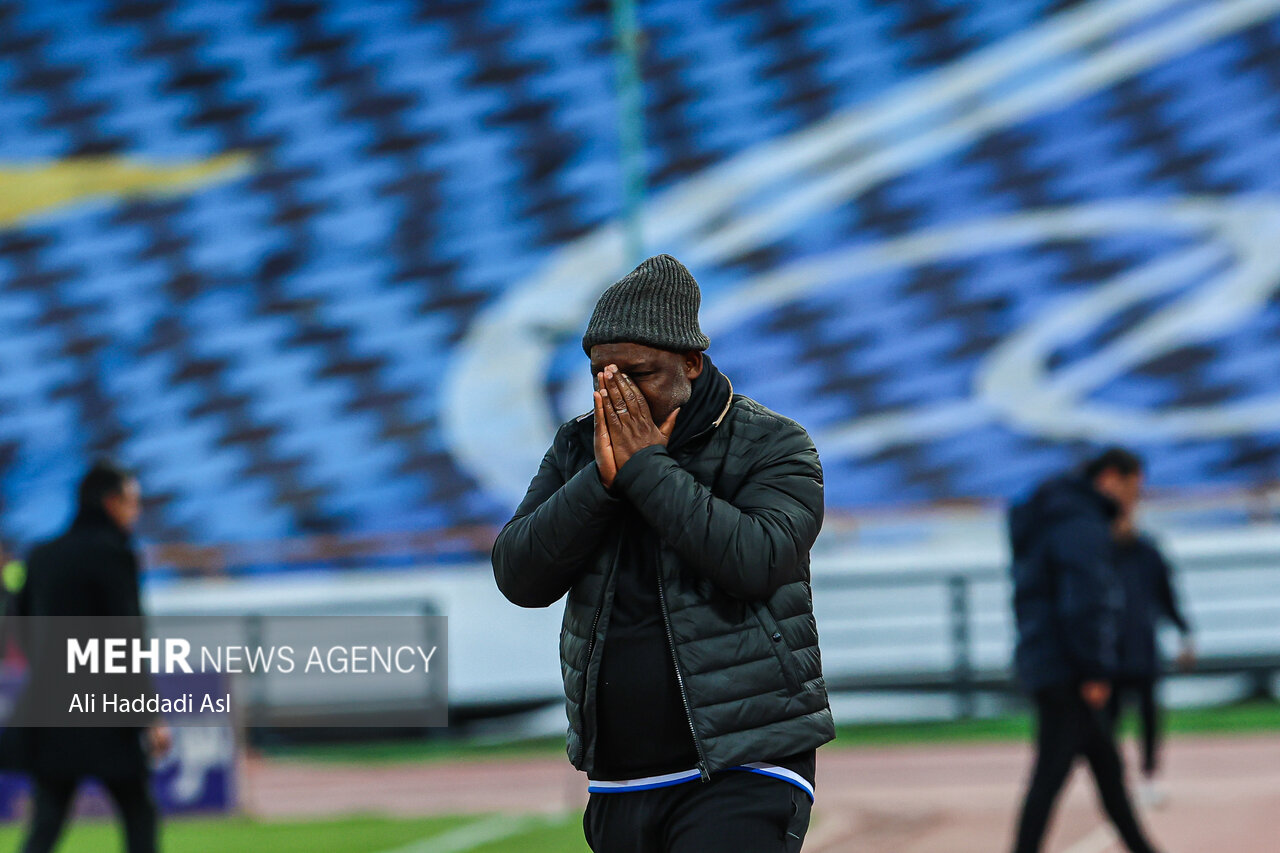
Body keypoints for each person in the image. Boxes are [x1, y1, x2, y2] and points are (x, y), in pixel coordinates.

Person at [492, 254, 834, 853]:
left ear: (691, 364)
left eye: (639, 373)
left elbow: (756, 563)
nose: (618, 393)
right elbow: (519, 575)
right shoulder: (578, 447)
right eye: (602, 375)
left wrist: (647, 469)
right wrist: (598, 483)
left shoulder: (772, 443)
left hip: (743, 765)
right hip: (619, 778)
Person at [4, 460, 171, 853]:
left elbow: (17, 623)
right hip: (104, 711)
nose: (137, 511)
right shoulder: (114, 553)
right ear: (109, 502)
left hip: (51, 709)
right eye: (132, 502)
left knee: (47, 821)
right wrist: (149, 715)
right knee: (138, 812)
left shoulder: (42, 555)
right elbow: (126, 637)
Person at [1008, 448, 1164, 853]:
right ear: (1112, 477)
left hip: (1050, 657)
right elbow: (1085, 598)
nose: (1134, 500)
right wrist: (1095, 668)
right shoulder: (1080, 521)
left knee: (1108, 770)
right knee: (1050, 778)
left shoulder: (1050, 515)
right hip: (1069, 669)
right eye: (1134, 489)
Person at [1110, 464, 1194, 809]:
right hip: (1108, 652)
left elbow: (1167, 595)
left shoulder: (1148, 550)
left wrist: (1184, 634)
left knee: (1149, 718)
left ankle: (1148, 777)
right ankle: (1112, 782)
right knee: (1106, 723)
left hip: (1143, 649)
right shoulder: (1097, 552)